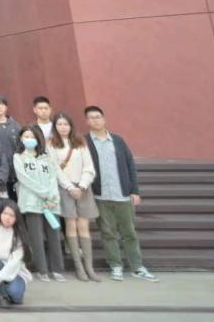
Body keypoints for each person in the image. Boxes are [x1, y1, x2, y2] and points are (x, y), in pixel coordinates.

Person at [85, 105, 157, 282]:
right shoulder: (85, 142)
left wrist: (134, 190)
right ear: (87, 121)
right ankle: (115, 265)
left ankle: (137, 266)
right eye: (91, 118)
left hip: (123, 194)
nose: (95, 120)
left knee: (129, 233)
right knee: (107, 233)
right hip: (100, 196)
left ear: (104, 119)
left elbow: (130, 164)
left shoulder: (117, 140)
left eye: (98, 117)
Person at [47, 112, 99, 281]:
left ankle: (89, 267)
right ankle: (79, 267)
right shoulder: (51, 144)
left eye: (66, 124)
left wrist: (82, 186)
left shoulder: (80, 142)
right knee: (70, 225)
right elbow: (55, 169)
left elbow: (89, 167)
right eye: (59, 124)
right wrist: (70, 187)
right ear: (55, 126)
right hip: (65, 189)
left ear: (71, 126)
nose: (63, 127)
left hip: (83, 188)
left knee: (83, 226)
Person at [13, 125, 65, 282]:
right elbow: (24, 178)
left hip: (51, 203)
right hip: (31, 202)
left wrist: (52, 197)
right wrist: (44, 193)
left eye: (32, 136)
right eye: (26, 136)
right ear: (21, 139)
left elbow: (53, 178)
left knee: (54, 236)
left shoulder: (47, 157)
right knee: (36, 238)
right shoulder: (19, 157)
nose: (29, 139)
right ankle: (42, 270)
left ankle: (57, 269)